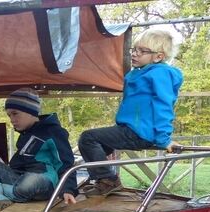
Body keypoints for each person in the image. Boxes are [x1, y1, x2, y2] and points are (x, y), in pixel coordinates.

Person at [78, 29, 183, 196]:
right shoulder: (138, 74)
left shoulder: (160, 74)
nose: (135, 54)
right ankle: (102, 176)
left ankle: (108, 180)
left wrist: (164, 139)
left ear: (158, 57)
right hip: (129, 129)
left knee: (88, 138)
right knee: (95, 144)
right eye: (134, 49)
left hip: (139, 132)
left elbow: (163, 106)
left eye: (142, 51)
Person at [0, 88, 78, 208]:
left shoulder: (53, 132)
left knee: (31, 181)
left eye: (15, 113)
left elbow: (65, 162)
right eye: (9, 115)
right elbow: (16, 166)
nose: (12, 120)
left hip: (44, 180)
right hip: (20, 178)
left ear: (31, 111)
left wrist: (68, 189)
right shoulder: (25, 135)